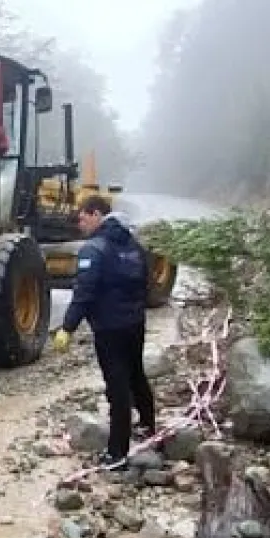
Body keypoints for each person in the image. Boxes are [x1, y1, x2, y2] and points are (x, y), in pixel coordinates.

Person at [52, 195, 157, 469]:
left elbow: (84, 293)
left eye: (83, 217)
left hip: (110, 329)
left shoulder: (94, 249)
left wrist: (67, 328)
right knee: (136, 374)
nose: (80, 223)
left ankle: (117, 453)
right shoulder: (134, 246)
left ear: (97, 215)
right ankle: (148, 425)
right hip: (135, 324)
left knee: (117, 385)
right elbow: (147, 283)